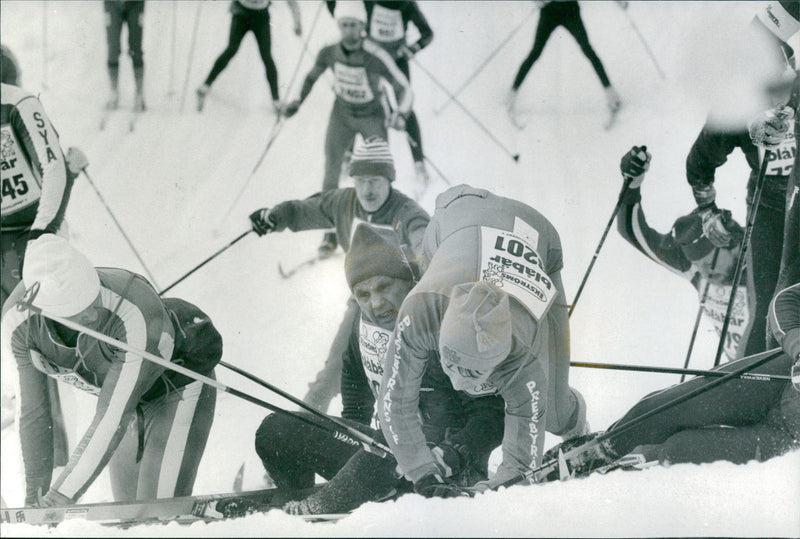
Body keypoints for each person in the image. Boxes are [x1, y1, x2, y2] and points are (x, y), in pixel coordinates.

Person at [253, 225, 504, 514]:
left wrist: (454, 453)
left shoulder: (443, 321)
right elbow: (356, 400)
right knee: (276, 429)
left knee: (399, 436)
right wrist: (353, 461)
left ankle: (323, 506)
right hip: (386, 458)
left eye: (384, 287)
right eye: (363, 294)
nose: (375, 302)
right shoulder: (364, 327)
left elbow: (492, 414)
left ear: (407, 282)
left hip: (444, 469)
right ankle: (302, 504)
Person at [378, 184, 589, 493]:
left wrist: (486, 495)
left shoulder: (521, 359)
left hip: (535, 232)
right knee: (428, 378)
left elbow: (520, 470)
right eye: (452, 364)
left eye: (474, 373)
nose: (460, 383)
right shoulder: (420, 312)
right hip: (449, 222)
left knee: (552, 412)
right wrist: (421, 471)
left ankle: (576, 425)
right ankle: (456, 448)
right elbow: (394, 400)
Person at [1, 235, 219, 506]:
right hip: (125, 403)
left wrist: (59, 497)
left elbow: (112, 418)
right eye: (79, 311)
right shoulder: (17, 322)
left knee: (156, 516)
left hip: (176, 390)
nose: (93, 314)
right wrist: (35, 496)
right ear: (47, 311)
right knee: (128, 518)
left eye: (93, 299)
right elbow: (33, 412)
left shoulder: (135, 307)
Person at [248, 136, 429, 412]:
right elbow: (305, 209)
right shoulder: (344, 202)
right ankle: (306, 425)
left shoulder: (406, 211)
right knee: (335, 370)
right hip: (365, 304)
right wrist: (275, 216)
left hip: (407, 308)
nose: (367, 190)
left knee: (414, 380)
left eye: (375, 181)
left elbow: (423, 236)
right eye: (361, 181)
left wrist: (428, 252)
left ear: (389, 181)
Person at [1, 44, 85, 469]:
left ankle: (50, 475)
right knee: (29, 354)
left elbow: (52, 169)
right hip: (19, 236)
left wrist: (42, 231)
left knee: (32, 351)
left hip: (23, 238)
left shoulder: (18, 102)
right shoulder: (20, 99)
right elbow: (57, 169)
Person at [280, 1, 413, 256]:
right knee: (331, 172)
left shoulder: (375, 54)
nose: (349, 31)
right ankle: (329, 234)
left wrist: (400, 113)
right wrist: (297, 101)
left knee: (379, 172)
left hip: (371, 115)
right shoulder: (329, 51)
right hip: (341, 114)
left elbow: (404, 87)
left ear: (363, 27)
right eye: (344, 25)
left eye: (354, 25)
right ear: (339, 26)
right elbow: (310, 77)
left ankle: (383, 232)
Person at [685, 99, 796, 359]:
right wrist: (708, 210)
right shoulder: (739, 96)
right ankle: (750, 382)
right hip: (770, 204)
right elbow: (699, 163)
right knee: (766, 305)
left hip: (791, 198)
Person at [616, 146, 748, 361]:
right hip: (740, 369)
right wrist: (631, 183)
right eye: (699, 264)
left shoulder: (763, 257)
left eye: (710, 263)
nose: (705, 272)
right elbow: (633, 233)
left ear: (731, 244)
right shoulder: (692, 266)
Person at [363, 0, 434, 193]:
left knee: (404, 109)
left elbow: (427, 34)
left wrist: (413, 48)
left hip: (397, 61)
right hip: (372, 57)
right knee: (364, 104)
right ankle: (352, 157)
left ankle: (419, 165)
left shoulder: (406, 4)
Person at [507, 1, 621, 119]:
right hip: (549, 10)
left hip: (570, 10)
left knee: (588, 50)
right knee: (535, 52)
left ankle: (611, 94)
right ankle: (512, 93)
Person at [196, 0, 302, 113]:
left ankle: (276, 100)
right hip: (241, 13)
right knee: (232, 49)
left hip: (261, 16)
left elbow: (292, 2)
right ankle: (205, 85)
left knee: (266, 56)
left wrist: (297, 22)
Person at [104, 1, 147, 112]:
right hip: (112, 4)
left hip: (135, 4)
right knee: (112, 47)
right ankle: (114, 91)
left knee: (135, 48)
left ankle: (139, 93)